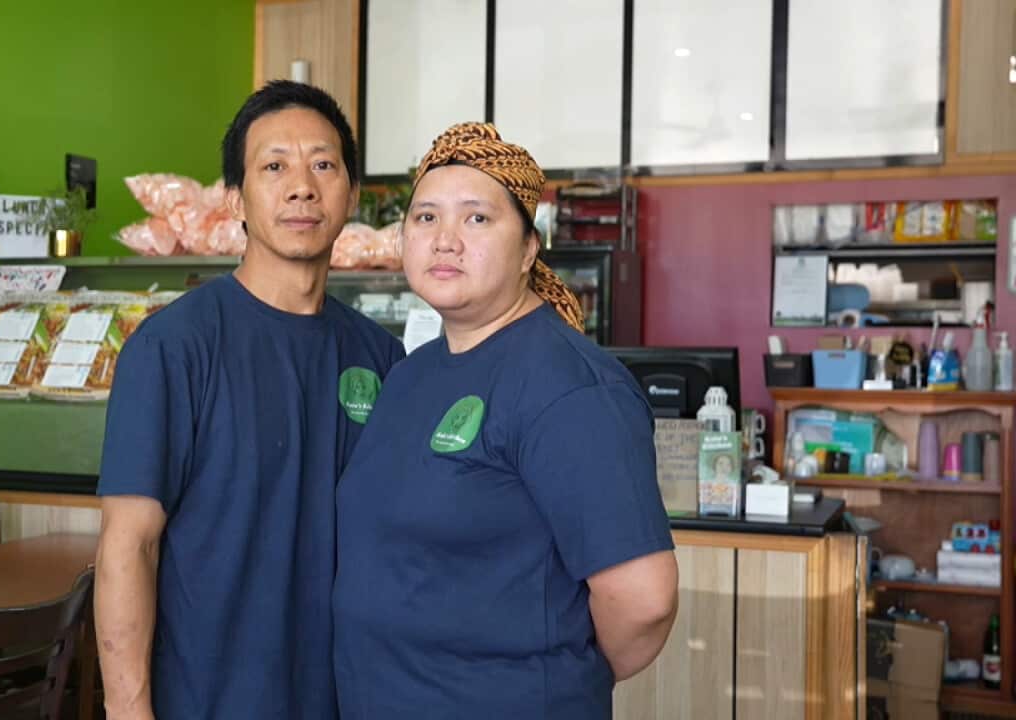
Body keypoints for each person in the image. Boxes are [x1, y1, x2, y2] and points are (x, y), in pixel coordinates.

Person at [333, 122, 678, 719]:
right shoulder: (412, 375)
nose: (445, 240)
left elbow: (643, 601)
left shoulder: (568, 386)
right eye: (425, 217)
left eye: (476, 218)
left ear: (528, 248)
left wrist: (553, 678)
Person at [95, 80, 405, 720]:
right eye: (274, 167)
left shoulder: (382, 358)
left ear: (349, 192)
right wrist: (129, 712)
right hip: (207, 700)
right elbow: (129, 546)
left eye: (323, 164)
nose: (302, 186)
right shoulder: (172, 348)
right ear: (235, 200)